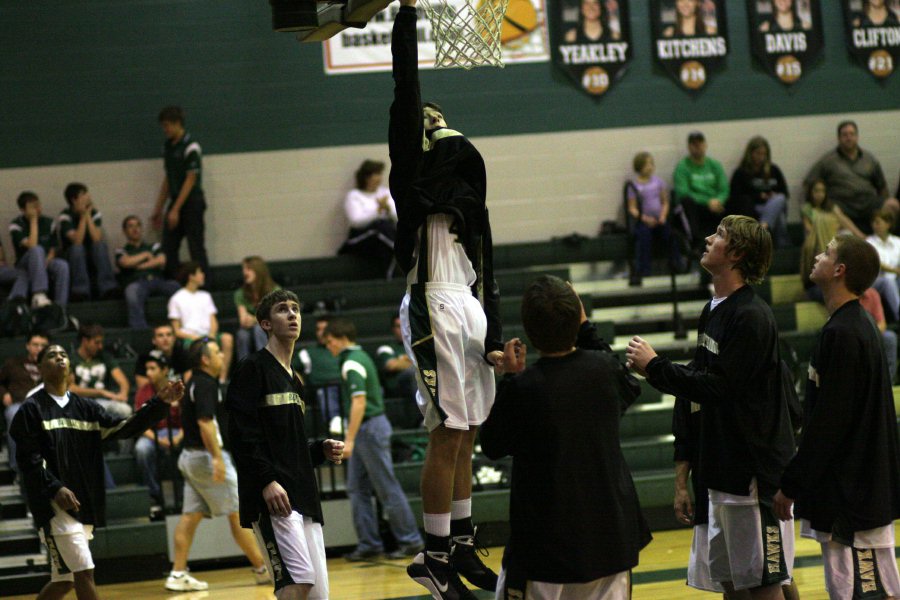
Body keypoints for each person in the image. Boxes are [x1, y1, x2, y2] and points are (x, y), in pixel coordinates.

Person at [390, 1, 507, 596]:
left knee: (466, 432)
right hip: (432, 300)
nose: (433, 121)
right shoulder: (411, 172)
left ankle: (459, 543)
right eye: (425, 118)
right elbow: (406, 87)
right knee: (444, 433)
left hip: (466, 300)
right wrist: (407, 16)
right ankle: (433, 555)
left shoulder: (465, 191)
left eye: (439, 118)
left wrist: (494, 331)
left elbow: (488, 263)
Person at [627, 215, 796, 599]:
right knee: (732, 581)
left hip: (752, 475)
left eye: (718, 235)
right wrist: (654, 371)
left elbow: (719, 388)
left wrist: (656, 366)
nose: (707, 238)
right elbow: (697, 388)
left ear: (735, 254)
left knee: (767, 582)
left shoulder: (751, 315)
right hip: (721, 470)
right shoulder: (714, 309)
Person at [480, 275, 650, 599]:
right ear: (578, 316)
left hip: (544, 544)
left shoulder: (523, 387)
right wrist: (585, 325)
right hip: (610, 536)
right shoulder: (605, 371)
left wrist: (509, 380)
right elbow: (629, 384)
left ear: (529, 329)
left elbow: (492, 445)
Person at [774, 235, 900, 599]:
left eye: (826, 253)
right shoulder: (849, 327)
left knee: (864, 590)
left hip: (853, 497)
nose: (817, 256)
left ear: (839, 270)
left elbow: (830, 422)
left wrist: (792, 483)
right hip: (853, 492)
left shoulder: (846, 333)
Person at [9, 343, 183, 600]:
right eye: (52, 355)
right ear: (40, 368)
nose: (59, 357)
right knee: (84, 572)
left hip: (81, 500)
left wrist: (159, 403)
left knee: (64, 581)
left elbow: (123, 427)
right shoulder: (31, 409)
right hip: (53, 504)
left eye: (63, 354)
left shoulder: (85, 408)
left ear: (70, 366)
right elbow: (29, 459)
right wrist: (55, 487)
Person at [226, 289, 345, 600]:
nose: (293, 315)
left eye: (295, 309)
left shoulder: (295, 379)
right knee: (297, 582)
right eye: (282, 310)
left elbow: (287, 443)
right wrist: (266, 481)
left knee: (318, 593)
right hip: (274, 499)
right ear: (265, 323)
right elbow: (241, 433)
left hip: (303, 494)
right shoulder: (252, 367)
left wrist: (319, 449)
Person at [166, 338, 270, 592]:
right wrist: (216, 457)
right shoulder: (204, 384)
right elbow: (205, 423)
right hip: (205, 457)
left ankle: (177, 574)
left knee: (189, 517)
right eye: (216, 352)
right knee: (239, 513)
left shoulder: (196, 382)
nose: (222, 356)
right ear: (205, 359)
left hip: (190, 458)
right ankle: (262, 569)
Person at [323, 317, 424, 562]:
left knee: (386, 486)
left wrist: (349, 440)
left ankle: (410, 540)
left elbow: (359, 401)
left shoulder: (352, 364)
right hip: (367, 429)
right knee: (356, 488)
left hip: (368, 428)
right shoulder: (362, 357)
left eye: (330, 342)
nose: (329, 347)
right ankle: (369, 543)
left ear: (341, 339)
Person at [804, 121, 898, 235]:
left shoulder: (869, 159)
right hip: (843, 205)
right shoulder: (828, 161)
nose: (849, 138)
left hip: (868, 203)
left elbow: (882, 186)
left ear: (857, 137)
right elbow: (809, 182)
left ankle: (889, 242)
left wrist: (884, 206)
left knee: (893, 204)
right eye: (845, 135)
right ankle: (862, 237)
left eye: (852, 134)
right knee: (834, 210)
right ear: (839, 138)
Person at [153, 105, 209, 280]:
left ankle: (205, 286)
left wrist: (175, 209)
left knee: (196, 247)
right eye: (163, 126)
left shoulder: (191, 147)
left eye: (168, 125)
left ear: (178, 124)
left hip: (192, 201)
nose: (165, 129)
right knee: (168, 246)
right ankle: (175, 283)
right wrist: (159, 209)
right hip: (176, 200)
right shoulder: (168, 147)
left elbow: (190, 179)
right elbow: (168, 179)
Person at [133, 354, 182, 519]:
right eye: (147, 369)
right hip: (152, 434)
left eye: (152, 369)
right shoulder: (143, 391)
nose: (148, 373)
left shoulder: (177, 388)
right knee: (141, 449)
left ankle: (183, 495)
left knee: (188, 448)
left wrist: (178, 438)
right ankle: (154, 495)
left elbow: (189, 420)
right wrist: (158, 440)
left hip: (177, 431)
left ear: (164, 370)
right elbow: (139, 422)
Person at [168, 261, 234, 382]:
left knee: (227, 339)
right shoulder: (176, 299)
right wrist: (196, 338)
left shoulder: (205, 296)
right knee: (197, 347)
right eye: (199, 272)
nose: (203, 275)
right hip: (190, 337)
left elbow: (213, 321)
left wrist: (211, 336)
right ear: (191, 276)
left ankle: (222, 379)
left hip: (207, 336)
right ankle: (196, 380)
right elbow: (176, 330)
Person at [800, 180, 864, 301]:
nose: (820, 194)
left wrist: (860, 235)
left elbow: (845, 221)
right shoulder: (814, 247)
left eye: (822, 191)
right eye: (816, 191)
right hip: (816, 288)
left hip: (827, 283)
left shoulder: (830, 207)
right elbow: (819, 278)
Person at [116, 215, 180, 329]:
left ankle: (182, 325)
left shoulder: (154, 246)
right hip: (137, 283)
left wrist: (137, 265)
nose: (135, 229)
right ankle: (141, 331)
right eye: (131, 226)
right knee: (131, 292)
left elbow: (161, 260)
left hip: (158, 280)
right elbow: (125, 262)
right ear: (125, 231)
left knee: (177, 287)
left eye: (138, 225)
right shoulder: (122, 250)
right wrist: (146, 255)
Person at [57, 183, 119, 301]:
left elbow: (96, 238)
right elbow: (77, 241)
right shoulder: (65, 215)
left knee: (100, 245)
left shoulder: (95, 213)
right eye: (83, 194)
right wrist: (82, 216)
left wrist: (87, 215)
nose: (88, 196)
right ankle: (81, 291)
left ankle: (108, 288)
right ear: (74, 200)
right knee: (77, 249)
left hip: (92, 253)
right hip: (72, 256)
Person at [626, 151, 681, 282]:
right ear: (639, 167)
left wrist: (662, 216)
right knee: (644, 238)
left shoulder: (658, 182)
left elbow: (665, 202)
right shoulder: (633, 186)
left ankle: (677, 265)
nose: (649, 167)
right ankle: (644, 270)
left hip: (659, 219)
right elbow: (632, 208)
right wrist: (644, 218)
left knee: (670, 235)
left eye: (651, 164)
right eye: (646, 164)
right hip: (643, 221)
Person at [9, 191, 70, 307]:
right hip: (25, 262)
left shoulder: (49, 222)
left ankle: (60, 307)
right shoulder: (16, 225)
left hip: (46, 260)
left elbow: (54, 247)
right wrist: (33, 221)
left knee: (62, 266)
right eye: (32, 207)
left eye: (38, 205)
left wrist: (48, 259)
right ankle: (39, 293)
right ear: (23, 210)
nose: (37, 209)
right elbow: (32, 245)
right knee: (37, 250)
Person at [338, 160, 398, 278]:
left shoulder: (385, 193)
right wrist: (378, 210)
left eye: (380, 174)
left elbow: (398, 217)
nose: (379, 178)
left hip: (384, 234)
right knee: (380, 230)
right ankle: (398, 248)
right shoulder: (354, 195)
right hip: (361, 236)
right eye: (375, 175)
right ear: (366, 177)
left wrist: (388, 208)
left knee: (384, 232)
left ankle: (387, 275)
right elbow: (356, 221)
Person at [729, 136, 789, 248]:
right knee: (778, 215)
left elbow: (785, 193)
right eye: (758, 153)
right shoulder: (741, 172)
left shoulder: (773, 170)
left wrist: (772, 196)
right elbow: (737, 195)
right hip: (756, 207)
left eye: (764, 154)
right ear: (750, 153)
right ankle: (781, 243)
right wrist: (760, 196)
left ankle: (762, 229)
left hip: (773, 203)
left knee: (779, 199)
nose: (761, 157)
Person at [673, 131, 729, 252]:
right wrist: (707, 201)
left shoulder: (715, 165)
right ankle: (696, 244)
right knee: (687, 202)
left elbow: (724, 188)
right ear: (689, 147)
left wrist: (719, 200)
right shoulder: (683, 167)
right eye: (694, 144)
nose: (697, 147)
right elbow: (683, 192)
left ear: (705, 145)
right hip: (696, 206)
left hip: (715, 205)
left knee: (739, 200)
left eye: (700, 143)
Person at [1, 332, 49, 471]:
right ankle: (18, 468)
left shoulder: (52, 366)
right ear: (28, 346)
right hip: (19, 404)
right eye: (35, 344)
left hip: (45, 406)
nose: (39, 348)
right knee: (15, 415)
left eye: (43, 345)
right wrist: (4, 394)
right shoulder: (13, 363)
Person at [69, 323, 132, 420]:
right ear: (85, 341)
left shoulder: (105, 357)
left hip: (104, 403)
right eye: (96, 343)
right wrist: (101, 392)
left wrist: (123, 394)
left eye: (101, 343)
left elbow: (122, 380)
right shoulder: (71, 359)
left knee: (125, 410)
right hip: (80, 403)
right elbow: (72, 388)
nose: (100, 346)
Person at [294, 314, 343, 434]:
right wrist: (299, 381)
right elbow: (290, 368)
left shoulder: (341, 349)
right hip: (323, 390)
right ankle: (335, 420)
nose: (321, 333)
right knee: (326, 392)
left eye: (324, 329)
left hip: (344, 387)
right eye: (318, 329)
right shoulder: (307, 353)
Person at [235, 256, 279, 361]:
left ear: (258, 270)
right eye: (244, 269)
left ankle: (266, 366)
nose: (245, 273)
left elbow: (274, 317)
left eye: (248, 269)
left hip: (273, 328)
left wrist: (254, 319)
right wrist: (259, 319)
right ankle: (244, 370)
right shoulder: (240, 293)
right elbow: (243, 321)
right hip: (251, 328)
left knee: (259, 329)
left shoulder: (275, 291)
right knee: (242, 334)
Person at [376, 315, 418, 408]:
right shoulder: (386, 348)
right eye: (398, 326)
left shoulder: (416, 346)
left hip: (415, 385)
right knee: (413, 371)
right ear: (393, 329)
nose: (402, 329)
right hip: (396, 386)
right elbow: (391, 365)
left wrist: (404, 360)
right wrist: (415, 361)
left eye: (405, 325)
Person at [865, 208, 900, 320]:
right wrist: (895, 270)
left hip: (896, 278)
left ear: (888, 224)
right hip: (876, 280)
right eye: (873, 223)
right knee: (888, 281)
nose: (875, 225)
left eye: (878, 222)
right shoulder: (869, 242)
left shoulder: (897, 242)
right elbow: (876, 263)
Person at [134, 322, 191, 390]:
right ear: (154, 340)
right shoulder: (145, 358)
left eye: (168, 335)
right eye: (160, 335)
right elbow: (143, 388)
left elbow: (188, 384)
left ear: (174, 338)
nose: (165, 339)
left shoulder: (183, 355)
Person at [859, 287, 897, 384]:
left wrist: (870, 334)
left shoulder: (872, 293)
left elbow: (881, 323)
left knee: (889, 338)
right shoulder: (843, 295)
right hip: (851, 334)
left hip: (870, 332)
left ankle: (887, 384)